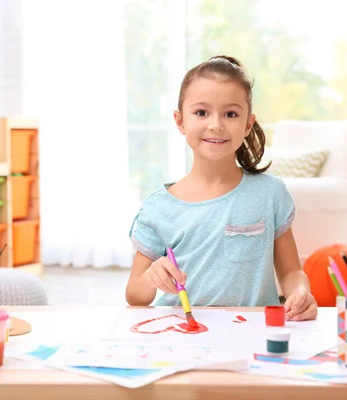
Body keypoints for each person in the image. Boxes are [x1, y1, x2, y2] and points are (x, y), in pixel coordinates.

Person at [125, 55, 317, 321]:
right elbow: (135, 295)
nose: (216, 124)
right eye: (201, 112)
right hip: (182, 335)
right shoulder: (159, 207)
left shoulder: (270, 194)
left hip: (251, 333)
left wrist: (301, 292)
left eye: (231, 114)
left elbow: (290, 272)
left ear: (248, 123)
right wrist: (150, 277)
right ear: (180, 121)